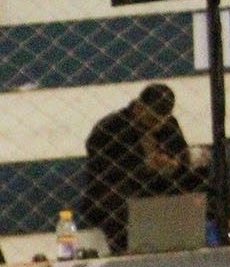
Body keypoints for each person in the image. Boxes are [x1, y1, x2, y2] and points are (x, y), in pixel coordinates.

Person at [83, 83, 201, 255]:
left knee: (198, 182)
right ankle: (126, 251)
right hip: (122, 188)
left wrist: (175, 163)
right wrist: (144, 166)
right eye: (152, 120)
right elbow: (103, 169)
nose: (156, 126)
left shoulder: (168, 125)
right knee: (116, 197)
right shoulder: (110, 128)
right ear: (138, 109)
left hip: (159, 184)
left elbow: (181, 154)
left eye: (162, 121)